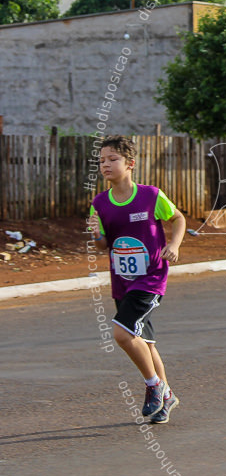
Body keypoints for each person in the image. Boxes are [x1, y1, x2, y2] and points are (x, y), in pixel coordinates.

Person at [86, 135, 187, 424]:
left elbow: (178, 218)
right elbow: (103, 246)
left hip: (151, 278)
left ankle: (155, 387)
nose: (105, 164)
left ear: (130, 164)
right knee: (145, 341)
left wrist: (175, 245)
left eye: (112, 159)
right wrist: (96, 233)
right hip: (122, 281)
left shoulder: (151, 196)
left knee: (121, 332)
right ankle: (166, 398)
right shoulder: (99, 203)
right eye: (102, 160)